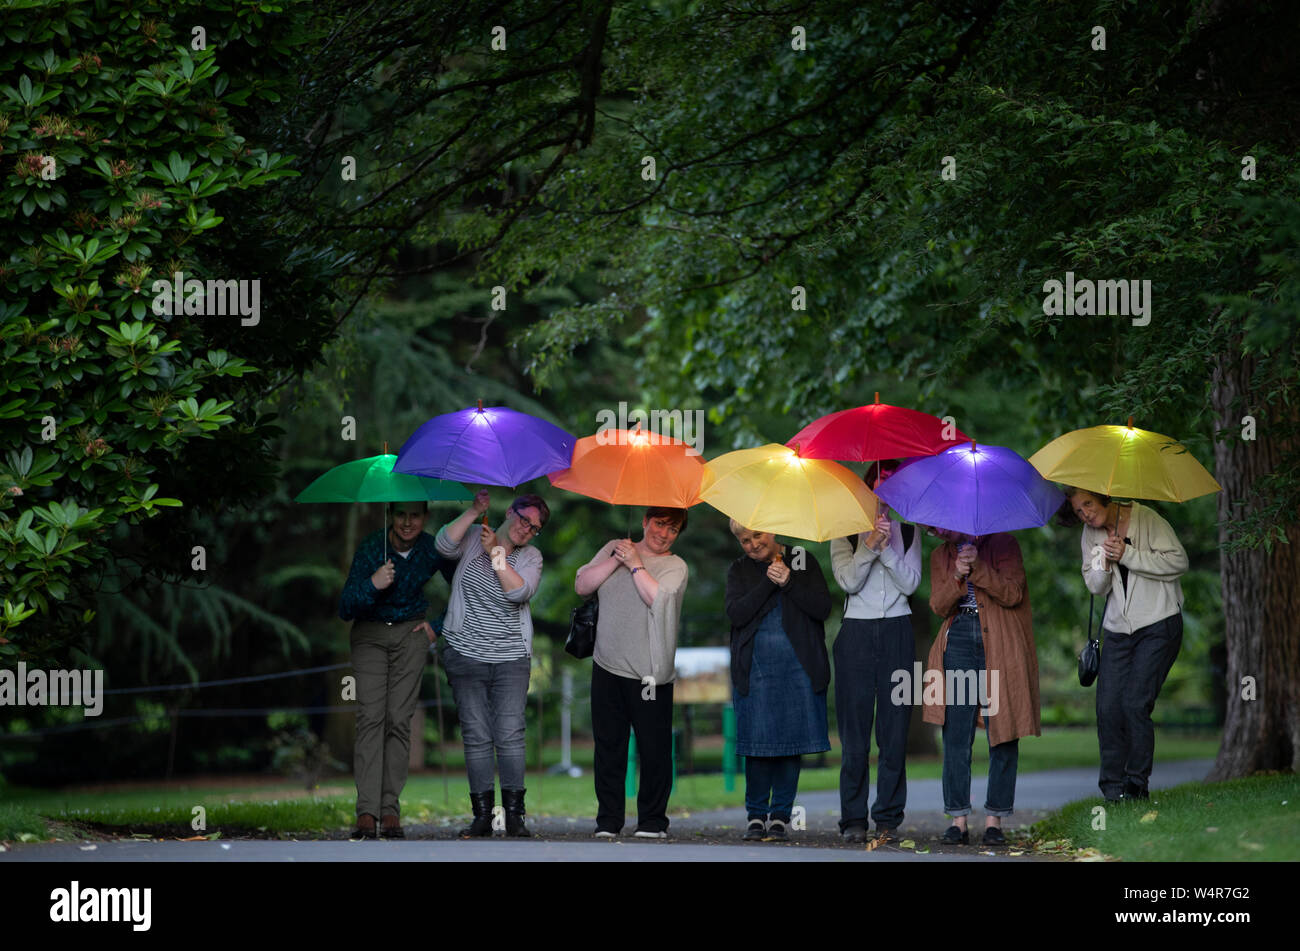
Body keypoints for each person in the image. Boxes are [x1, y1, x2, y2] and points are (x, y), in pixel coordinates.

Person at [338, 500, 455, 840]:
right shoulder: (373, 546)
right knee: (371, 717)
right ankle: (366, 811)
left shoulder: (433, 548)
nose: (407, 523)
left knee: (399, 720)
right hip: (370, 635)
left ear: (425, 517)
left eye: (414, 515)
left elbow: (465, 587)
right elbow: (346, 606)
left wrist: (438, 626)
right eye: (401, 515)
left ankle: (390, 810)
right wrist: (373, 583)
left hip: (411, 635)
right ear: (391, 515)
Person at [1062, 488, 1188, 801]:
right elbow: (1095, 585)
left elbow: (1178, 561)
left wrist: (1129, 554)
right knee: (1107, 708)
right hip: (1117, 629)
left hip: (1158, 623)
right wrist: (1105, 559)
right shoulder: (1090, 536)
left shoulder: (1146, 519)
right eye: (1079, 511)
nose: (1085, 514)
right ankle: (1112, 789)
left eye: (1088, 504)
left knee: (1134, 703)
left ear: (1103, 497)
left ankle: (1136, 785)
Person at [436, 490, 548, 837]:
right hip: (465, 653)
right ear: (510, 512)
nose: (526, 529)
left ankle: (514, 817)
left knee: (511, 735)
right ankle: (483, 816)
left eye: (535, 527)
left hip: (510, 659)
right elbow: (441, 545)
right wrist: (474, 510)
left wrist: (497, 557)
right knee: (476, 735)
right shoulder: (474, 537)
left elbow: (519, 593)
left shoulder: (531, 557)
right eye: (523, 518)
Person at [576, 507, 689, 839]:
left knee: (653, 749)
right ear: (644, 521)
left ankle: (653, 821)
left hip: (650, 673)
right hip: (607, 664)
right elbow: (582, 585)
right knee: (609, 746)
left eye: (673, 528)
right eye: (659, 523)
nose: (664, 533)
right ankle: (608, 821)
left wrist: (636, 564)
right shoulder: (616, 546)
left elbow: (657, 599)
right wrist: (617, 558)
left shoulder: (676, 566)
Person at [923, 528, 1040, 846]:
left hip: (999, 641)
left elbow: (1013, 593)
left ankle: (994, 821)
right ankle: (957, 820)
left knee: (1002, 731)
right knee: (955, 733)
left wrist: (980, 569)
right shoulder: (941, 555)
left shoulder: (1004, 543)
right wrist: (958, 576)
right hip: (959, 638)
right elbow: (938, 605)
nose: (941, 531)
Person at [828, 460, 922, 842]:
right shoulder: (844, 533)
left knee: (894, 730)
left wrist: (885, 550)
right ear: (867, 491)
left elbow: (911, 583)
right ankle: (853, 818)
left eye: (892, 489)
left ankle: (887, 818)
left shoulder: (911, 531)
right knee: (854, 734)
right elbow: (848, 582)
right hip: (856, 635)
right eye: (878, 488)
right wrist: (868, 546)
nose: (884, 497)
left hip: (898, 632)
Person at [725, 521, 832, 842]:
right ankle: (756, 816)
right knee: (758, 744)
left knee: (790, 743)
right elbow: (736, 614)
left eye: (757, 535)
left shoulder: (802, 558)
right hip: (756, 667)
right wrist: (770, 582)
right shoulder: (739, 569)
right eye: (745, 540)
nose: (752, 544)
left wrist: (789, 581)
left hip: (798, 665)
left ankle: (781, 817)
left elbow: (822, 608)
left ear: (771, 531)